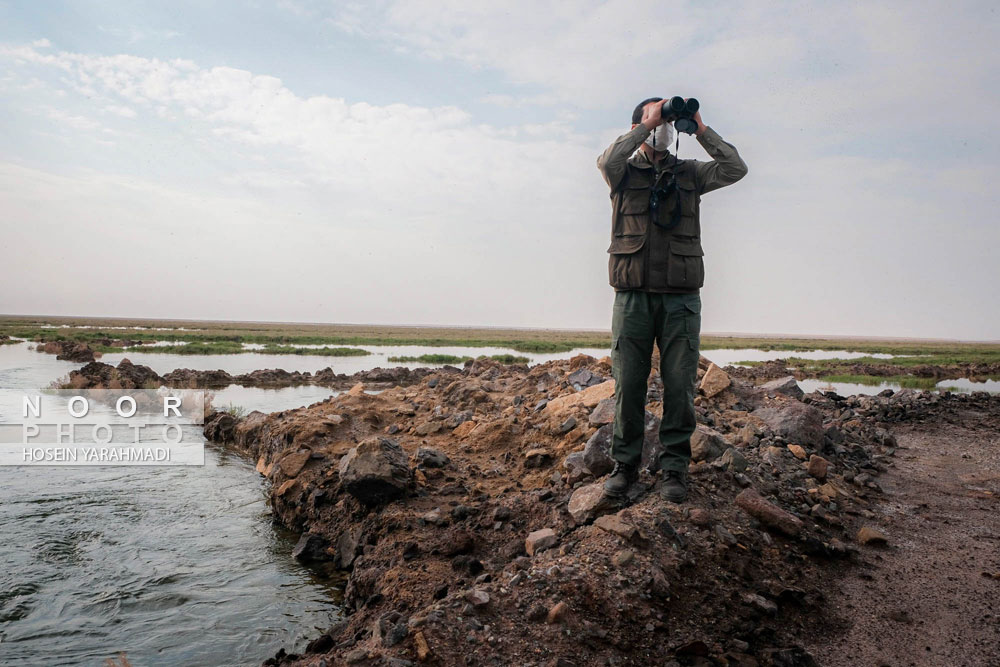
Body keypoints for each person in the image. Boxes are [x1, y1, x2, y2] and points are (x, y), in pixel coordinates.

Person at [595, 97, 747, 503]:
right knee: (629, 383)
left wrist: (698, 129)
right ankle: (624, 465)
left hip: (680, 299)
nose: (663, 126)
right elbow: (605, 160)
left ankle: (674, 467)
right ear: (639, 126)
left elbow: (735, 168)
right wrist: (645, 125)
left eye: (665, 120)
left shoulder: (690, 173)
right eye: (656, 119)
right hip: (633, 299)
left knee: (680, 386)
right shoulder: (622, 173)